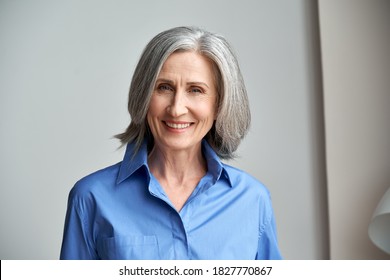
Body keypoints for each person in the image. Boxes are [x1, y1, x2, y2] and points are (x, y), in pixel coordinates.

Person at [60, 26, 282, 260]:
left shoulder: (252, 200)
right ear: (144, 96)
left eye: (196, 90)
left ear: (219, 105)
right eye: (164, 87)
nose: (176, 109)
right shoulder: (90, 197)